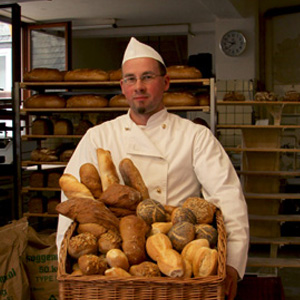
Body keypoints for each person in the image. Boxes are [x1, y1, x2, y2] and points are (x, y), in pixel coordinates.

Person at [57, 37, 249, 300]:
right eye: (131, 79)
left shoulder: (195, 137)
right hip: (114, 273)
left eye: (147, 77)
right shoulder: (97, 136)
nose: (139, 87)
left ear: (166, 82)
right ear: (122, 87)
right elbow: (71, 206)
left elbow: (227, 197)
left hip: (181, 267)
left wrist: (232, 265)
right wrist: (65, 260)